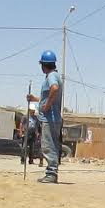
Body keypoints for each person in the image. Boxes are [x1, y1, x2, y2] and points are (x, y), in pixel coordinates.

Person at [27, 50, 62, 183]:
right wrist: (35, 99)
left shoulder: (51, 76)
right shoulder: (55, 75)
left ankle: (51, 174)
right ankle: (51, 172)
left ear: (44, 65)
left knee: (48, 145)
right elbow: (46, 96)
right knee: (51, 145)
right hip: (53, 118)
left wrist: (47, 106)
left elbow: (54, 88)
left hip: (50, 118)